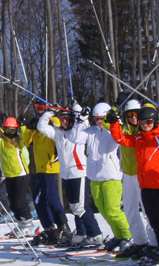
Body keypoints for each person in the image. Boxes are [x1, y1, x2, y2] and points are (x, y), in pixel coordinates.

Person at [108, 104, 159, 265]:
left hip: (158, 185)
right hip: (144, 185)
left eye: (149, 121)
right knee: (153, 219)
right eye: (142, 122)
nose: (145, 125)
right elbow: (120, 139)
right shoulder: (139, 139)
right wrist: (114, 123)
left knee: (157, 219)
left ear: (156, 121)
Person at [37, 105, 104, 247]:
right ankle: (81, 233)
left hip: (79, 173)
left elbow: (84, 122)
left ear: (73, 120)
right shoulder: (58, 133)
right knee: (74, 207)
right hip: (66, 175)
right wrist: (49, 113)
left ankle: (95, 234)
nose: (64, 123)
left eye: (67, 120)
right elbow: (41, 126)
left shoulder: (79, 132)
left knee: (82, 207)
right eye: (62, 120)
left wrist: (77, 109)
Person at [76, 103, 133, 255]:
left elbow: (117, 138)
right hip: (95, 177)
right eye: (96, 119)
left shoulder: (113, 130)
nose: (98, 122)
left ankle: (129, 236)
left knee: (113, 210)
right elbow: (76, 138)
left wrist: (111, 122)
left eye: (101, 119)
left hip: (110, 176)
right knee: (103, 210)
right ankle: (119, 236)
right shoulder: (91, 131)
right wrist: (80, 120)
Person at [114, 99, 155, 259]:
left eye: (136, 114)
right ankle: (140, 242)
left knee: (147, 211)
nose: (133, 117)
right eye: (130, 114)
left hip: (142, 176)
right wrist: (116, 105)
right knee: (130, 210)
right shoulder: (124, 129)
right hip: (128, 175)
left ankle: (154, 243)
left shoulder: (146, 129)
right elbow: (106, 122)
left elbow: (154, 115)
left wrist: (145, 102)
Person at [0, 116, 36, 235]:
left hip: (21, 174)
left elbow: (27, 139)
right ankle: (21, 223)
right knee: (12, 202)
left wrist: (24, 126)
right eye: (8, 130)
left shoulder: (19, 142)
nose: (10, 133)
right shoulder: (1, 142)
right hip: (9, 176)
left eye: (13, 130)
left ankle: (28, 224)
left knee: (20, 202)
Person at [27, 111, 69, 244]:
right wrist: (29, 128)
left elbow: (61, 138)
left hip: (50, 166)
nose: (39, 111)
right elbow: (25, 142)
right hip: (41, 167)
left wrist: (50, 122)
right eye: (36, 108)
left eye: (41, 108)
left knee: (44, 197)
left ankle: (61, 227)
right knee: (45, 197)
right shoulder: (37, 126)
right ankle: (52, 228)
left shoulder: (54, 120)